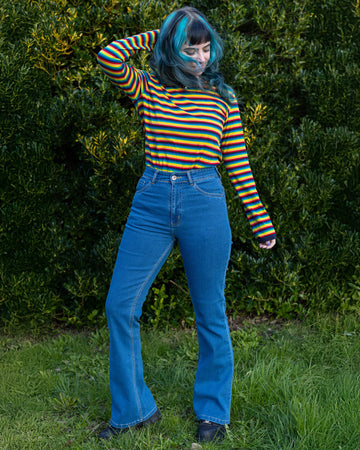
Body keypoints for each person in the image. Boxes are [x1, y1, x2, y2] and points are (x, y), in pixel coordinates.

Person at [96, 6, 276, 443]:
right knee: (120, 306)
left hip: (204, 202)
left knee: (211, 312)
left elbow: (237, 164)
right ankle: (135, 411)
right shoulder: (149, 87)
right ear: (173, 49)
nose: (199, 55)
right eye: (189, 47)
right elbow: (109, 56)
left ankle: (213, 412)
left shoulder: (223, 97)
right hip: (152, 202)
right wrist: (166, 32)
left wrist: (259, 218)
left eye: (204, 45)